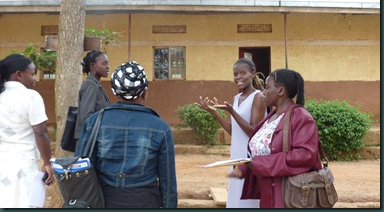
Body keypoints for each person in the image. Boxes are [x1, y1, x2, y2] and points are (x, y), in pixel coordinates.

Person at [75, 61, 178, 208]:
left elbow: (80, 169)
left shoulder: (94, 122)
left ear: (116, 92)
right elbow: (168, 181)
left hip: (102, 201)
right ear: (145, 92)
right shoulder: (161, 127)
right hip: (145, 202)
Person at [229, 68, 322, 208]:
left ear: (281, 91)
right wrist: (244, 168)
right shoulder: (271, 117)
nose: (264, 92)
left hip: (289, 196)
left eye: (267, 87)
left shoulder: (301, 117)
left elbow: (305, 155)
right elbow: (262, 151)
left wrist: (259, 164)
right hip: (267, 194)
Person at [195, 58, 266, 208]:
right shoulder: (236, 98)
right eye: (235, 74)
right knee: (236, 200)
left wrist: (232, 111)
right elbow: (235, 132)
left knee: (249, 201)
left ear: (253, 74)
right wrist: (214, 112)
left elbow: (254, 132)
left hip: (251, 160)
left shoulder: (258, 97)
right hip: (236, 158)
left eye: (242, 73)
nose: (238, 77)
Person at [0, 54, 54, 207]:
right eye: (32, 74)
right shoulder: (30, 96)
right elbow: (40, 131)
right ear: (19, 75)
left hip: (3, 162)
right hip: (24, 163)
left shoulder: (1, 96)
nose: (34, 78)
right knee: (25, 202)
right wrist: (47, 162)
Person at [74, 50, 111, 143]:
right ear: (92, 65)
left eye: (108, 64)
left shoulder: (96, 84)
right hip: (90, 141)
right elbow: (86, 117)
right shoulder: (91, 85)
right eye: (104, 64)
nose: (108, 67)